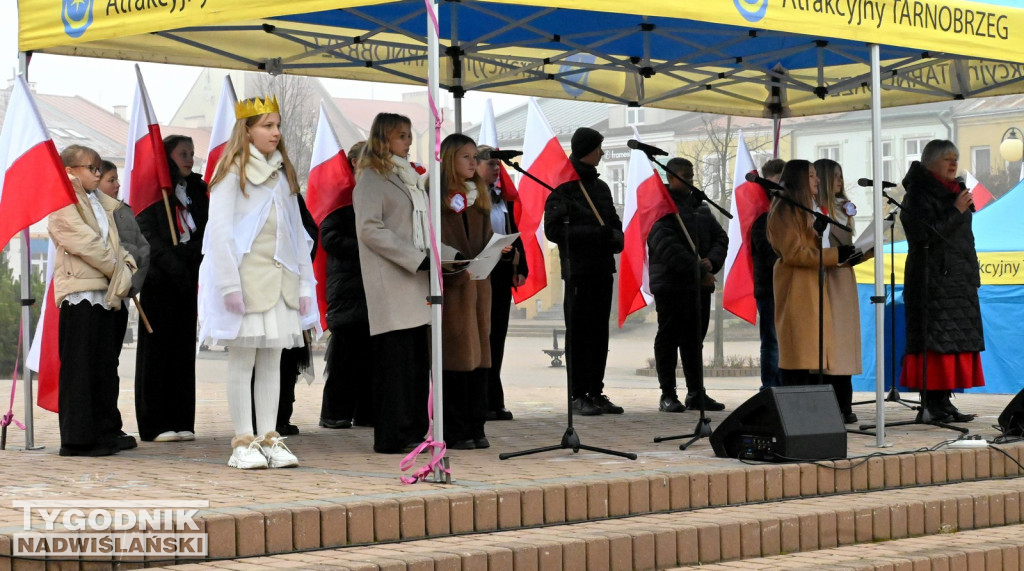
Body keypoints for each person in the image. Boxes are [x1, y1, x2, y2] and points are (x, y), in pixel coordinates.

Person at [199, 96, 317, 469]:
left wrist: (302, 285)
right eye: (267, 125)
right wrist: (229, 285)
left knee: (273, 360)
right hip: (248, 278)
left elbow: (296, 233)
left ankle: (269, 436)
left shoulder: (282, 173)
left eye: (277, 125)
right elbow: (218, 232)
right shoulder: (232, 171)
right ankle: (243, 441)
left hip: (281, 277)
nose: (276, 132)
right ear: (247, 129)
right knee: (243, 358)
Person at [49, 145, 137, 456]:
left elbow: (116, 242)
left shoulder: (99, 201)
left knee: (103, 366)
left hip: (106, 292)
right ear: (71, 170)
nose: (98, 174)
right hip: (81, 292)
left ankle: (104, 431)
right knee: (80, 367)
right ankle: (78, 439)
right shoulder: (62, 198)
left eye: (100, 168)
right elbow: (82, 240)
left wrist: (127, 264)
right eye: (92, 168)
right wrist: (117, 268)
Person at [353, 113, 431, 454]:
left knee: (415, 364)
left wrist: (454, 255)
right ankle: (391, 436)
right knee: (394, 366)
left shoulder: (409, 179)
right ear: (383, 139)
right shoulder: (372, 177)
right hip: (392, 281)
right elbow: (370, 229)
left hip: (416, 282)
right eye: (402, 135)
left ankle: (414, 429)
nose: (409, 141)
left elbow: (424, 230)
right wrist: (414, 258)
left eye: (410, 135)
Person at [899, 139, 983, 423]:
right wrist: (955, 211)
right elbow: (922, 237)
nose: (954, 163)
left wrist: (973, 273)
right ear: (930, 162)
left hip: (958, 281)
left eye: (956, 158)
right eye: (948, 158)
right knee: (934, 344)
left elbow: (964, 240)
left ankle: (944, 402)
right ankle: (931, 404)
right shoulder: (917, 195)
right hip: (931, 281)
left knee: (952, 344)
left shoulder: (957, 192)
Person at [544, 127, 624, 416]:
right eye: (598, 147)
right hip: (578, 270)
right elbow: (553, 230)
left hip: (602, 268)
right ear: (586, 149)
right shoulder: (564, 186)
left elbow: (614, 222)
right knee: (579, 333)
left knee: (599, 333)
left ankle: (595, 390)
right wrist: (597, 234)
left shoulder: (600, 188)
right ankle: (577, 394)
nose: (602, 153)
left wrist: (616, 237)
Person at [135, 135, 209, 443]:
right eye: (183, 154)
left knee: (182, 350)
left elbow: (206, 228)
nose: (189, 159)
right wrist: (172, 260)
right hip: (160, 280)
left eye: (192, 154)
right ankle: (155, 422)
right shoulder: (153, 191)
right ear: (167, 156)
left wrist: (193, 258)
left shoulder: (198, 191)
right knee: (158, 351)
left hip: (188, 278)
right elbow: (147, 234)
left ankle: (182, 418)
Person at [766, 159, 860, 387]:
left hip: (818, 283)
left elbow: (820, 246)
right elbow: (794, 253)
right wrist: (835, 255)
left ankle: (821, 408)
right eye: (810, 175)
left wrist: (851, 255)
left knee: (814, 353)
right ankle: (798, 410)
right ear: (798, 179)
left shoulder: (813, 208)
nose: (817, 179)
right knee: (800, 354)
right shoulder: (784, 209)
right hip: (797, 286)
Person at [648, 158, 729, 413]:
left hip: (698, 287)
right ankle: (668, 394)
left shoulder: (700, 207)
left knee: (694, 341)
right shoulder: (661, 207)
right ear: (671, 178)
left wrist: (711, 262)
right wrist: (699, 271)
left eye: (693, 176)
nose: (691, 181)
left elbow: (720, 237)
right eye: (686, 176)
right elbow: (667, 248)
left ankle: (696, 393)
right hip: (672, 285)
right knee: (669, 340)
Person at [438, 134, 494, 449]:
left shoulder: (479, 196)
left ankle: (477, 425)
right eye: (466, 157)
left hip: (479, 286)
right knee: (456, 358)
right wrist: (455, 263)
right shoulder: (436, 196)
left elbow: (485, 238)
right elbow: (430, 240)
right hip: (453, 287)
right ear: (449, 160)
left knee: (481, 357)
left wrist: (499, 251)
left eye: (475, 157)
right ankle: (456, 429)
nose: (473, 163)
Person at [320, 141, 374, 430]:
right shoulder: (341, 196)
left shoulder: (374, 191)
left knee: (371, 354)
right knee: (344, 356)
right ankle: (335, 412)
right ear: (353, 162)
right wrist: (365, 246)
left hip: (371, 284)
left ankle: (367, 412)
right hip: (347, 284)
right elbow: (328, 237)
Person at [96, 161, 150, 450]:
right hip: (95, 296)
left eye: (117, 179)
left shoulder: (122, 210)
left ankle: (111, 424)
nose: (116, 185)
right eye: (110, 179)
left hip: (120, 296)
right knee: (98, 365)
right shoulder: (93, 212)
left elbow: (141, 248)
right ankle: (97, 424)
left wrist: (131, 282)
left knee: (110, 364)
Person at [815, 158, 868, 424]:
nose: (840, 181)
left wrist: (863, 251)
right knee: (828, 344)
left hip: (842, 278)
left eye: (841, 175)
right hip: (824, 278)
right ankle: (830, 404)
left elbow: (845, 246)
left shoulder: (842, 209)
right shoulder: (815, 209)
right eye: (835, 176)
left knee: (843, 344)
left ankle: (844, 403)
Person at [477, 145, 527, 422]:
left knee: (497, 336)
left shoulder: (501, 198)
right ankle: (482, 399)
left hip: (500, 272)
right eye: (491, 165)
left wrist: (521, 266)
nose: (497, 170)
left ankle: (495, 399)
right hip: (479, 272)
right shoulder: (469, 198)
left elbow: (512, 233)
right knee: (482, 337)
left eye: (498, 165)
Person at [750, 158, 785, 390]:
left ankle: (784, 384)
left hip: (786, 285)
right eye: (775, 183)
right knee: (772, 341)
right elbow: (766, 251)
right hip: (769, 285)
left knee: (783, 339)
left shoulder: (786, 211)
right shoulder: (761, 213)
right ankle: (770, 387)